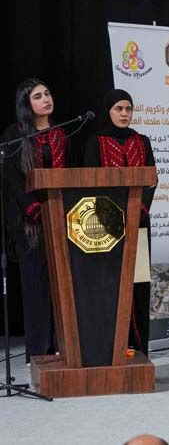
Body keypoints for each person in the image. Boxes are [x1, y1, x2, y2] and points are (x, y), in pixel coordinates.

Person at [1, 78, 70, 361]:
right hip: (30, 223)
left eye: (47, 93)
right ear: (26, 104)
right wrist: (36, 210)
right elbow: (13, 180)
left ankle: (63, 349)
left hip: (60, 219)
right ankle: (39, 354)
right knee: (37, 289)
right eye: (38, 96)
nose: (45, 99)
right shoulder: (14, 135)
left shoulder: (61, 134)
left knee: (61, 288)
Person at [83, 89, 156, 356]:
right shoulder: (96, 142)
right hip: (106, 226)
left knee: (138, 285)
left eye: (128, 109)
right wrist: (113, 217)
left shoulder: (142, 141)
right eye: (119, 109)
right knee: (110, 286)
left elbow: (151, 180)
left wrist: (138, 212)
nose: (124, 114)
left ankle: (139, 348)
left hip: (139, 224)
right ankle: (111, 348)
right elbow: (91, 182)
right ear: (108, 111)